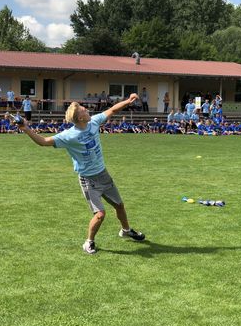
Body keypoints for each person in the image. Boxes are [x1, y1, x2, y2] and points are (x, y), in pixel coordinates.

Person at [17, 93, 146, 255]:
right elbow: (43, 142)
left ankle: (126, 230)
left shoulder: (94, 122)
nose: (88, 112)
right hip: (88, 180)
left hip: (103, 174)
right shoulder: (69, 136)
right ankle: (89, 242)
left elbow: (112, 110)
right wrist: (26, 129)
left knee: (119, 205)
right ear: (80, 118)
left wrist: (128, 101)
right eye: (85, 111)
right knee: (100, 214)